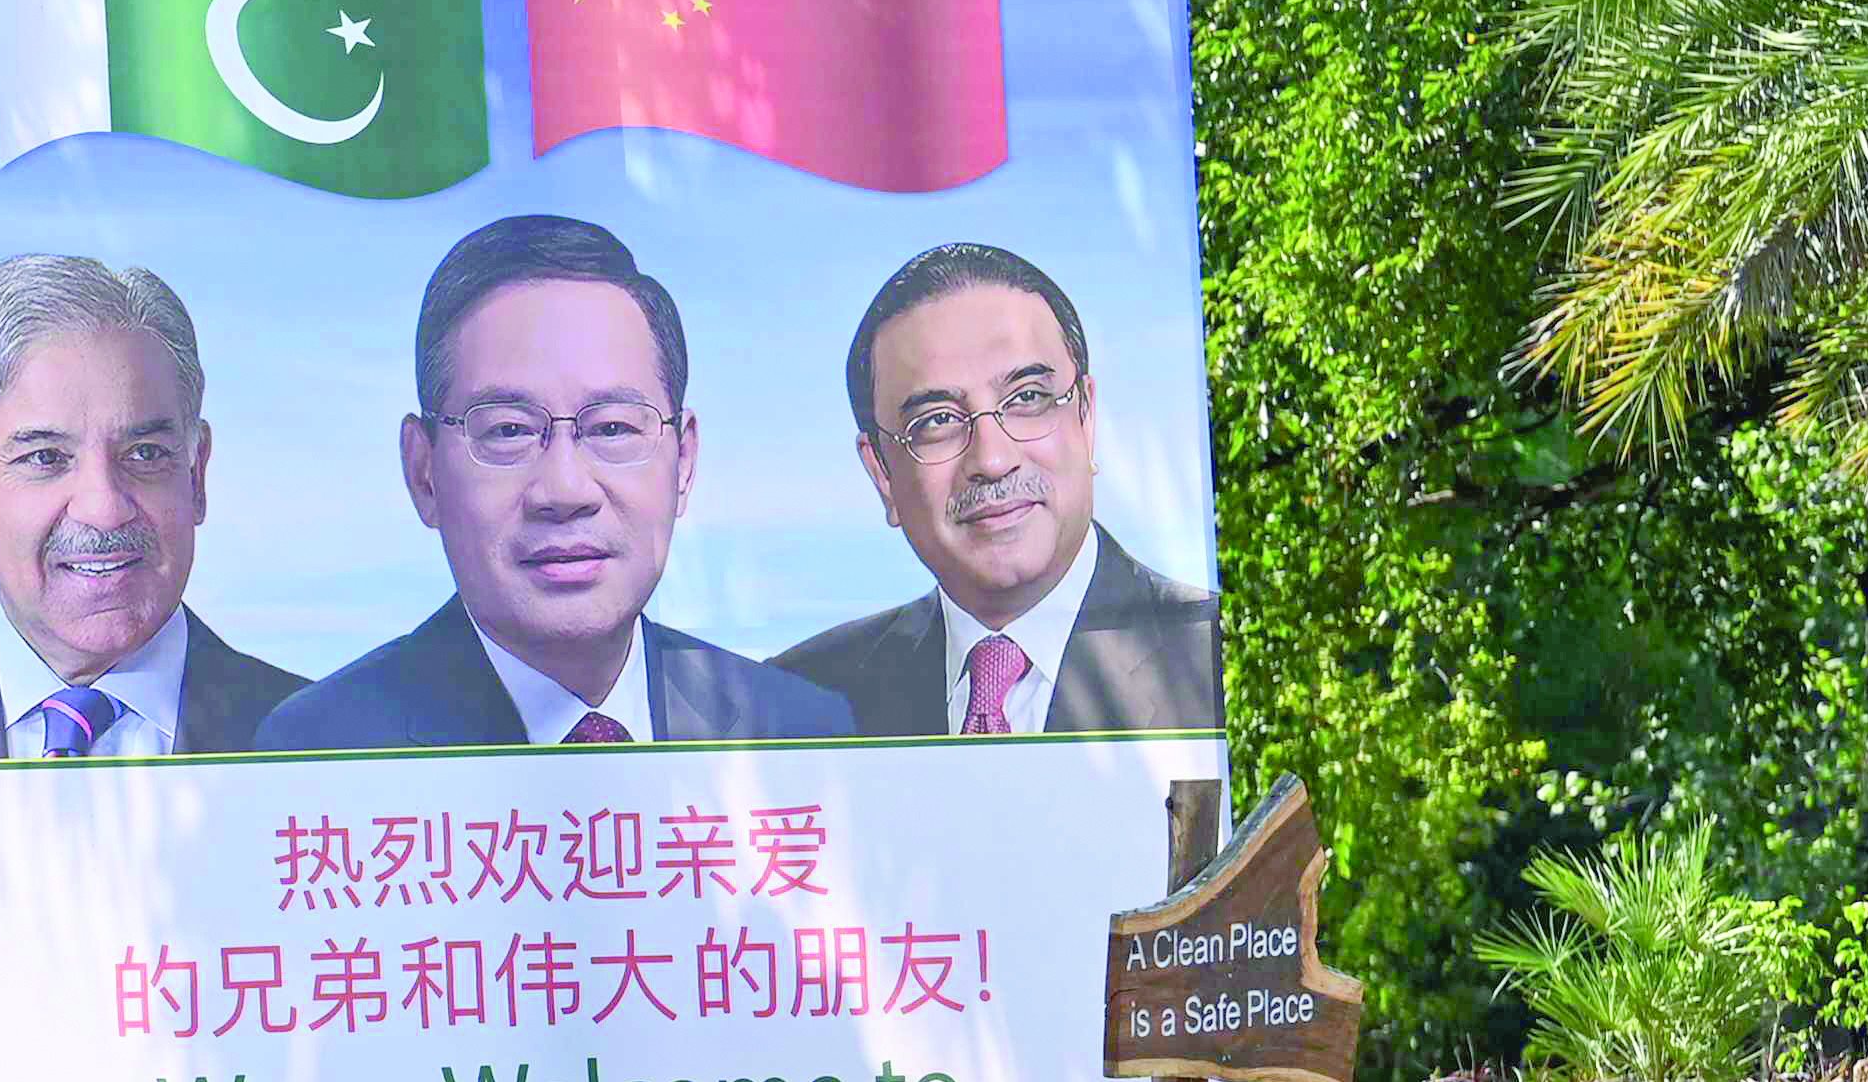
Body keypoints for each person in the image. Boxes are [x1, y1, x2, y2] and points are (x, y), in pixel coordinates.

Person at [259, 212, 848, 752]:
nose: (565, 491)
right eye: (510, 430)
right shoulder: (318, 755)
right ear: (424, 472)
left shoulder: (801, 733)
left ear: (684, 460)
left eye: (613, 427)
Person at [0, 252, 304, 760]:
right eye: (45, 458)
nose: (103, 507)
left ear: (196, 474)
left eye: (145, 454)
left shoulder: (334, 742)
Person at [771, 238, 1225, 736]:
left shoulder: (1213, 655)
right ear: (881, 471)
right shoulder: (798, 705)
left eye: (1027, 397)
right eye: (937, 420)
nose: (992, 458)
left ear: (1086, 417)